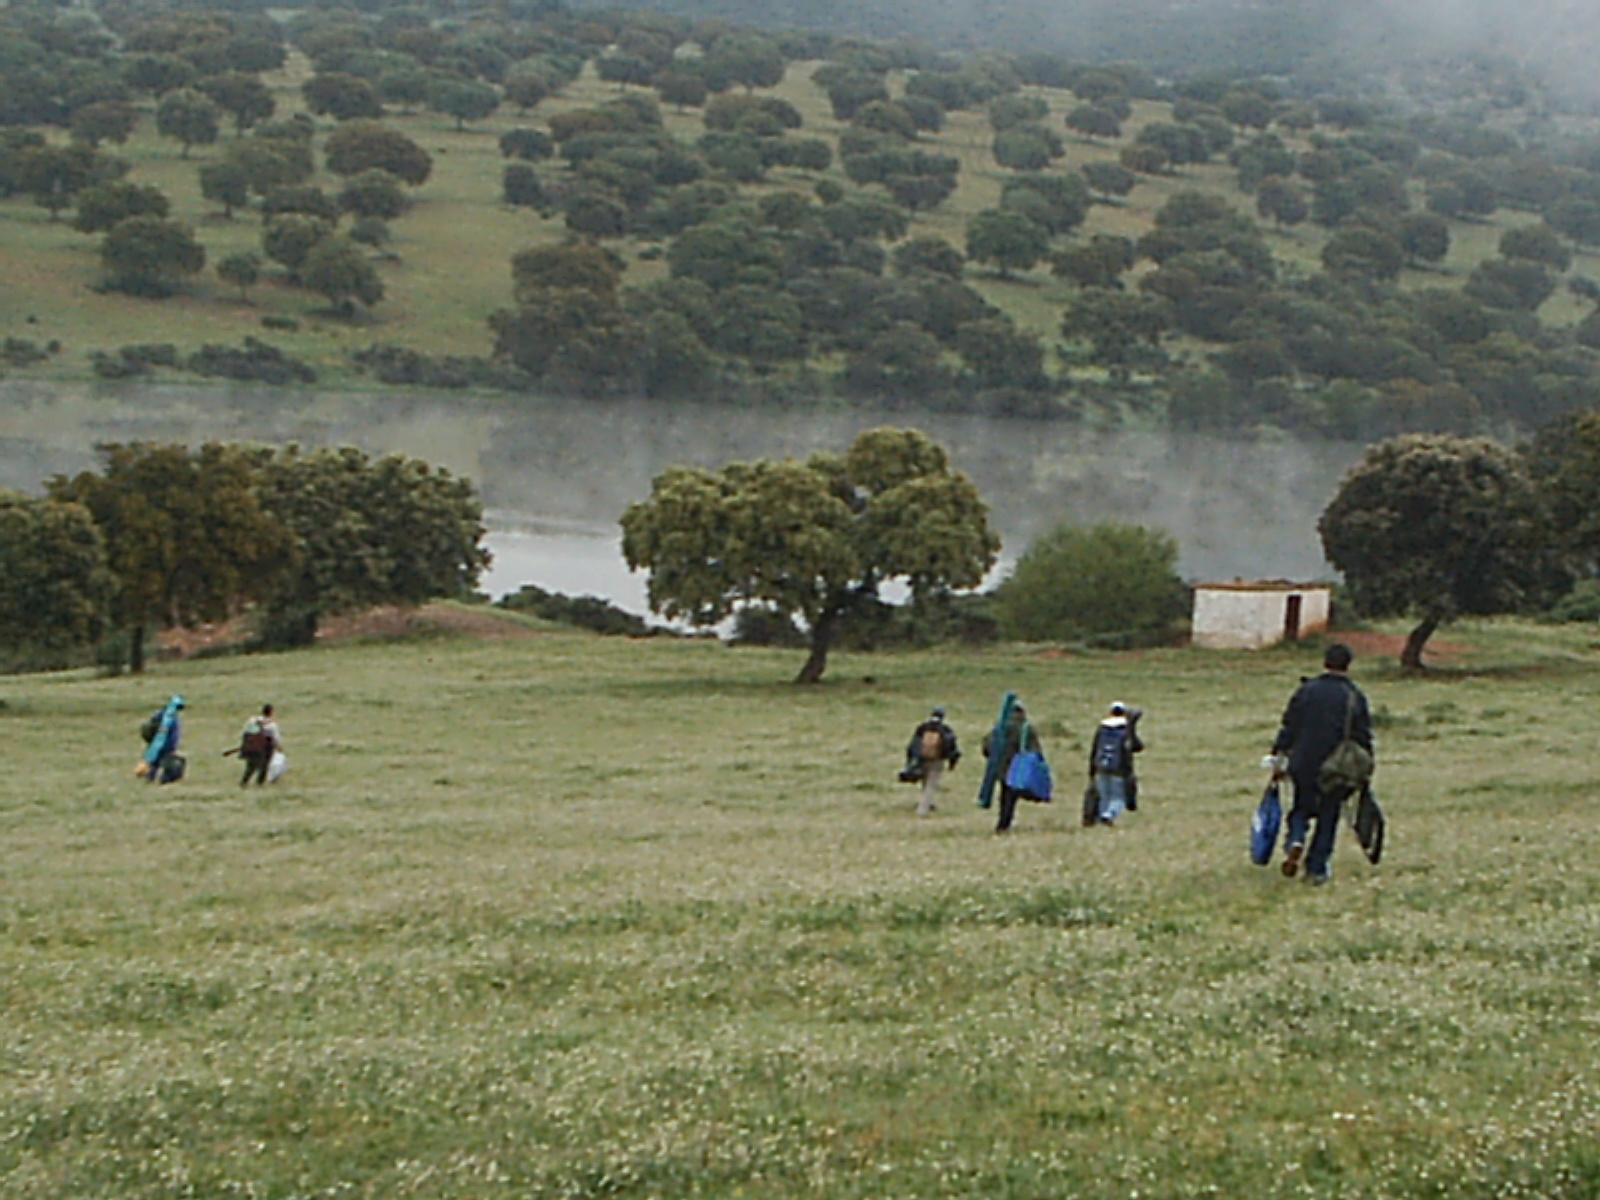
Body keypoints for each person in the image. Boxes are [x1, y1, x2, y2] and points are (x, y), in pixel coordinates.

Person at [1270, 643, 1373, 884]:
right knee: (1329, 815)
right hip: (1336, 766)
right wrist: (1366, 767)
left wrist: (1279, 752)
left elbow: (1290, 725)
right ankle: (1316, 869)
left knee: (1301, 807)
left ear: (1325, 662)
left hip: (1303, 760)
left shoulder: (1306, 690)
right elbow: (1363, 735)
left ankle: (1295, 840)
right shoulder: (1354, 695)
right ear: (1348, 665)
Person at [983, 700, 1041, 834]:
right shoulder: (1026, 728)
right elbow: (1034, 749)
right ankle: (1005, 823)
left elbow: (988, 746)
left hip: (1002, 768)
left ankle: (1004, 822)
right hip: (1019, 767)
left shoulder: (1000, 727)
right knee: (1012, 796)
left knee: (1005, 795)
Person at [1088, 702, 1143, 826]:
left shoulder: (1102, 729)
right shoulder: (1125, 730)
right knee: (1119, 798)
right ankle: (1108, 816)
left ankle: (1102, 816)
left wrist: (1092, 770)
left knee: (1104, 796)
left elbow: (1095, 749)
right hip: (1119, 769)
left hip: (1101, 766)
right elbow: (1137, 746)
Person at [904, 706, 960, 817]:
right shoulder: (945, 729)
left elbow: (913, 745)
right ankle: (923, 810)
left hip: (922, 759)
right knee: (931, 785)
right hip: (937, 760)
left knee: (925, 783)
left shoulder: (922, 728)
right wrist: (952, 763)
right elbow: (952, 748)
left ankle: (927, 804)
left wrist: (910, 761)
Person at [141, 695, 185, 784]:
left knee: (156, 763)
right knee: (169, 764)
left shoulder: (165, 716)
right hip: (164, 746)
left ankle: (151, 778)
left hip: (163, 745)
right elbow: (160, 737)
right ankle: (161, 779)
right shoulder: (167, 718)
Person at [238, 704, 283, 786]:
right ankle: (259, 784)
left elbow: (245, 732)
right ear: (271, 712)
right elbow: (275, 738)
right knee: (264, 767)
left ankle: (244, 782)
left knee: (251, 767)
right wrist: (279, 747)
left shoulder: (253, 721)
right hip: (265, 748)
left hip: (252, 747)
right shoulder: (272, 725)